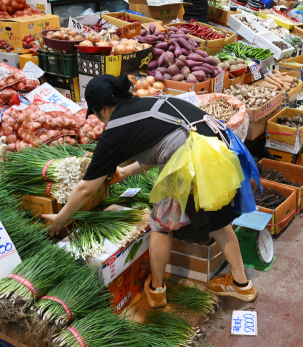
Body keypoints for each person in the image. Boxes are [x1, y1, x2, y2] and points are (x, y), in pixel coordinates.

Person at [42, 75, 258, 308]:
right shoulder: (155, 102)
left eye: (94, 113)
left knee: (161, 226)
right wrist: (125, 173)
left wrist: (60, 219)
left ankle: (156, 290)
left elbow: (86, 187)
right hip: (217, 150)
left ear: (102, 109)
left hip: (190, 158)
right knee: (218, 221)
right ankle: (242, 285)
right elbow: (161, 147)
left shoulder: (115, 129)